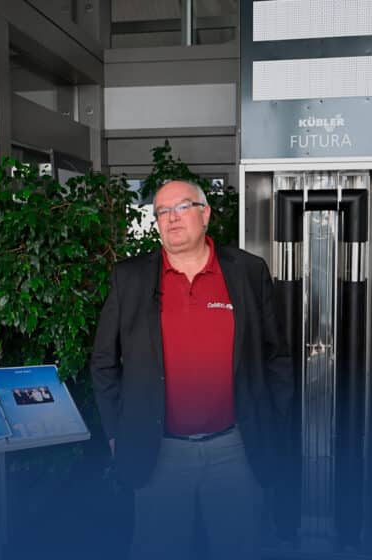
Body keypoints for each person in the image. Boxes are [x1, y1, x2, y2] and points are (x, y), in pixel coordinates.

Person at [90, 179, 293, 560]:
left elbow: (276, 356)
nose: (171, 219)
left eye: (181, 207)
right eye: (161, 212)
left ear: (205, 213)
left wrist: (272, 421)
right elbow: (103, 363)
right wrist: (116, 432)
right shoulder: (130, 278)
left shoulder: (248, 272)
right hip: (158, 451)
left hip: (236, 448)